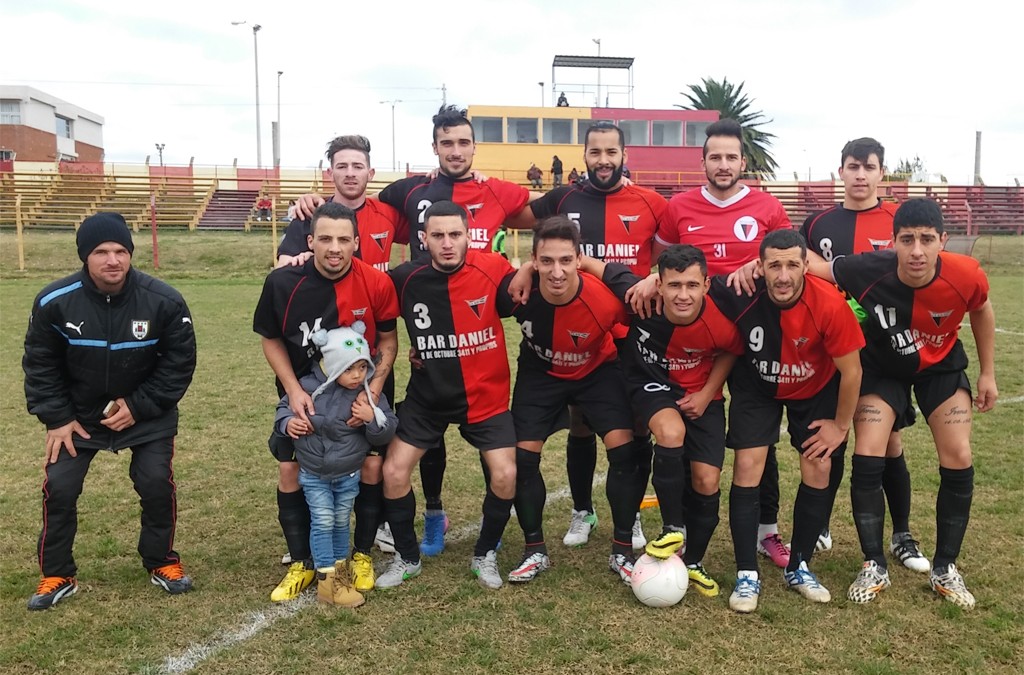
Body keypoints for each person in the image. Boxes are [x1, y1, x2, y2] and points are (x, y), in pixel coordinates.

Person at [814, 198, 996, 609]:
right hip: (882, 368)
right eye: (908, 239)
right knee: (869, 448)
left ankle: (945, 567)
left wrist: (987, 373)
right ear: (892, 241)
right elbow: (814, 267)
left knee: (959, 452)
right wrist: (758, 264)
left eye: (927, 240)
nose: (917, 250)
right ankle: (873, 562)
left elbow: (982, 310)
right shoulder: (866, 268)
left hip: (940, 367)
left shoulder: (965, 274)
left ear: (943, 241)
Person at [642, 118, 796, 569]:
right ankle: (683, 526)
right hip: (688, 342)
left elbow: (789, 259)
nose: (724, 164)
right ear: (703, 161)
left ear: (742, 161)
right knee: (683, 432)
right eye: (715, 157)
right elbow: (663, 263)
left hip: (753, 342)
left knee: (757, 438)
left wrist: (759, 267)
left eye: (731, 157)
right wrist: (655, 277)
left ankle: (768, 530)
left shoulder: (767, 208)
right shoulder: (680, 207)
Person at [507, 121, 668, 552]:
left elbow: (672, 254)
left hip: (626, 324)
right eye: (594, 152)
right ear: (584, 155)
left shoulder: (651, 202)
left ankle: (629, 515)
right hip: (571, 327)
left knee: (635, 427)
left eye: (610, 152)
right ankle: (583, 509)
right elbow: (516, 217)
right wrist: (526, 266)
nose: (603, 160)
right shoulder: (564, 197)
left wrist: (653, 279)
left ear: (623, 154)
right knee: (580, 423)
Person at [24, 212, 197, 610]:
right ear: (85, 256)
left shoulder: (165, 300)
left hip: (146, 413)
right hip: (78, 418)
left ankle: (161, 561)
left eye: (121, 251)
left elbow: (179, 363)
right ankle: (57, 573)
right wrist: (58, 418)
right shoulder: (54, 302)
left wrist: (137, 407)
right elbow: (40, 363)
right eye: (101, 252)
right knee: (60, 488)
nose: (113, 260)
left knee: (156, 483)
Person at [711, 229, 864, 613]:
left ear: (806, 266)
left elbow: (853, 372)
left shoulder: (829, 303)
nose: (783, 276)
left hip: (814, 389)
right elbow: (689, 282)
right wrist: (650, 278)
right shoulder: (740, 291)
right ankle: (747, 572)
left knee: (818, 463)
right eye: (774, 265)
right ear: (759, 266)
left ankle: (799, 566)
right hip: (756, 388)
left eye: (792, 265)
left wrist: (841, 426)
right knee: (747, 465)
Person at [254, 201, 399, 601]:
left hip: (360, 403)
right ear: (310, 240)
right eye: (325, 239)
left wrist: (372, 392)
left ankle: (361, 555)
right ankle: (303, 562)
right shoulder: (282, 283)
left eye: (343, 239)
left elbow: (388, 341)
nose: (334, 248)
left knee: (370, 468)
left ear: (356, 242)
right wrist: (292, 390)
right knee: (290, 472)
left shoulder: (377, 283)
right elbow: (269, 338)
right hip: (305, 400)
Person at [798, 137, 927, 566]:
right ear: (841, 172)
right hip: (828, 349)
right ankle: (819, 526)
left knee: (888, 441)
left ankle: (902, 534)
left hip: (881, 351)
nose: (859, 174)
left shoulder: (896, 222)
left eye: (868, 167)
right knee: (827, 437)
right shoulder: (817, 224)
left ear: (880, 173)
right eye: (852, 166)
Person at [376, 201, 518, 590]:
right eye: (437, 235)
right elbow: (360, 282)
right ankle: (407, 557)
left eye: (455, 234)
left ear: (469, 236)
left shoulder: (493, 268)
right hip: (427, 398)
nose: (447, 243)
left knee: (506, 473)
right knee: (393, 471)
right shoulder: (403, 278)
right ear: (423, 240)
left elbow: (534, 281)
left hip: (484, 398)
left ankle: (485, 552)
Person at [505, 217, 640, 586]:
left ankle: (623, 550)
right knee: (523, 457)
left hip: (597, 370)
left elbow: (638, 331)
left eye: (566, 260)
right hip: (540, 372)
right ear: (533, 260)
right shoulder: (518, 292)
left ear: (579, 259)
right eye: (546, 261)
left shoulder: (604, 298)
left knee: (623, 451)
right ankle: (534, 549)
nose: (557, 271)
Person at [612, 244, 743, 597]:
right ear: (659, 285)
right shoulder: (642, 302)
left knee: (707, 479)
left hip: (702, 395)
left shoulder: (719, 317)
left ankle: (694, 561)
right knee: (671, 432)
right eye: (673, 285)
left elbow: (732, 348)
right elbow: (594, 267)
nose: (682, 295)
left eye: (691, 285)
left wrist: (706, 393)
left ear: (706, 284)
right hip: (653, 386)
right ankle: (672, 527)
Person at [276, 323, 398, 608]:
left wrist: (372, 418)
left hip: (348, 475)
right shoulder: (307, 387)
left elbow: (388, 429)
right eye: (348, 369)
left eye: (361, 367)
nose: (357, 376)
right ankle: (327, 583)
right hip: (314, 474)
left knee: (341, 521)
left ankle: (340, 575)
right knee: (323, 521)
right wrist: (288, 423)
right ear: (330, 366)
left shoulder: (368, 395)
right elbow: (283, 409)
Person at [277, 135, 399, 273]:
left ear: (370, 174)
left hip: (375, 294)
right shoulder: (309, 213)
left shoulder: (390, 214)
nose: (350, 173)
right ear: (330, 173)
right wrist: (308, 264)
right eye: (342, 166)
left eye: (358, 166)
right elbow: (282, 271)